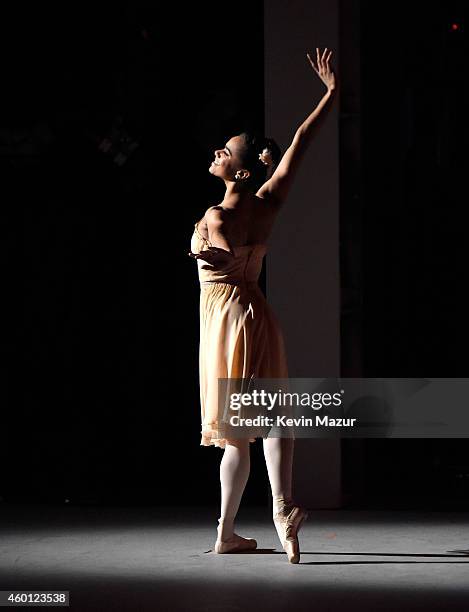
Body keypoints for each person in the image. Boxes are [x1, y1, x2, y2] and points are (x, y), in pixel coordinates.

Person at [188, 47, 337, 563]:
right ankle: (278, 510)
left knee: (236, 433)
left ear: (242, 172)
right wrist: (331, 95)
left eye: (225, 152)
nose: (217, 153)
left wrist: (210, 251)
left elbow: (217, 253)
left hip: (228, 322)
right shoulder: (267, 205)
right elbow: (300, 142)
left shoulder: (215, 216)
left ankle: (233, 529)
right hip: (258, 315)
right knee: (268, 416)